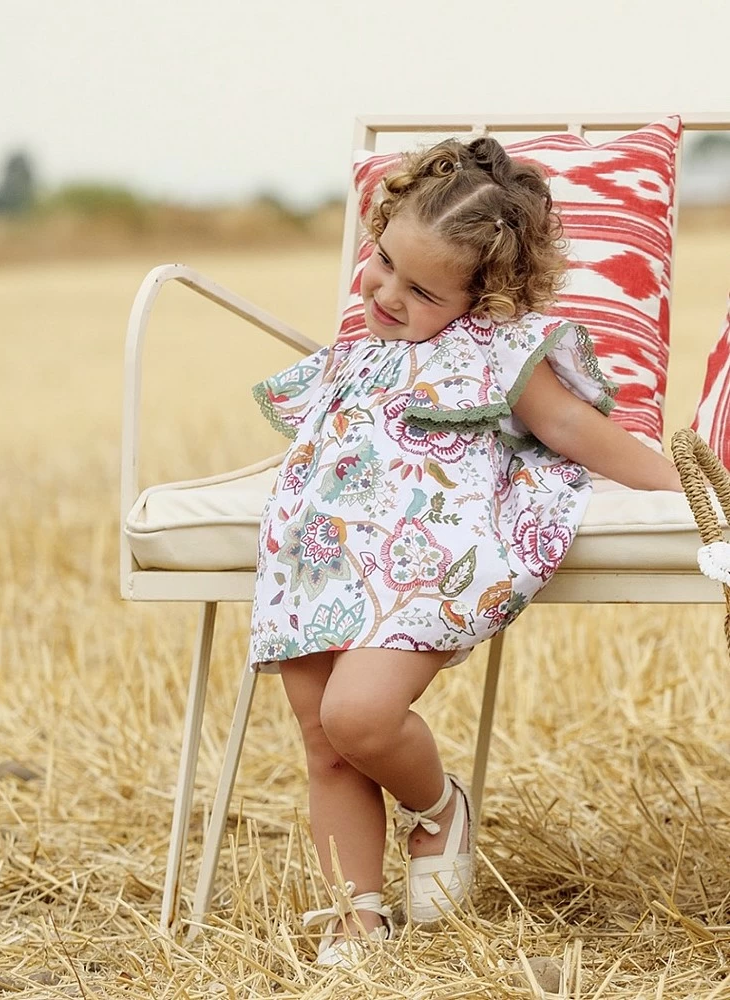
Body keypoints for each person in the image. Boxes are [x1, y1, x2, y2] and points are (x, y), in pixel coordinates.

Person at [249, 136, 683, 967]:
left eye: (420, 289)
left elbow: (569, 427)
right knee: (323, 741)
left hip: (418, 558)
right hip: (317, 552)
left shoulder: (492, 352)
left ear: (481, 299)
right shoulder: (352, 357)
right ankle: (357, 915)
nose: (385, 293)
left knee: (359, 716)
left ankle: (439, 806)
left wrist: (684, 489)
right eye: (382, 263)